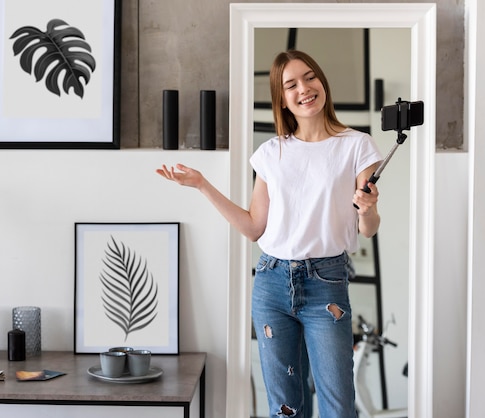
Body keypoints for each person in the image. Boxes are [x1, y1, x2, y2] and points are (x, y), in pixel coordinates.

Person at [156, 49, 382, 418]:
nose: (304, 89)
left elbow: (367, 229)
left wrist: (368, 208)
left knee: (339, 408)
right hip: (271, 281)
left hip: (326, 282)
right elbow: (253, 227)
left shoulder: (356, 145)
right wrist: (201, 185)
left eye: (310, 77)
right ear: (282, 98)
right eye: (291, 84)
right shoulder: (271, 152)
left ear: (322, 82)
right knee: (286, 409)